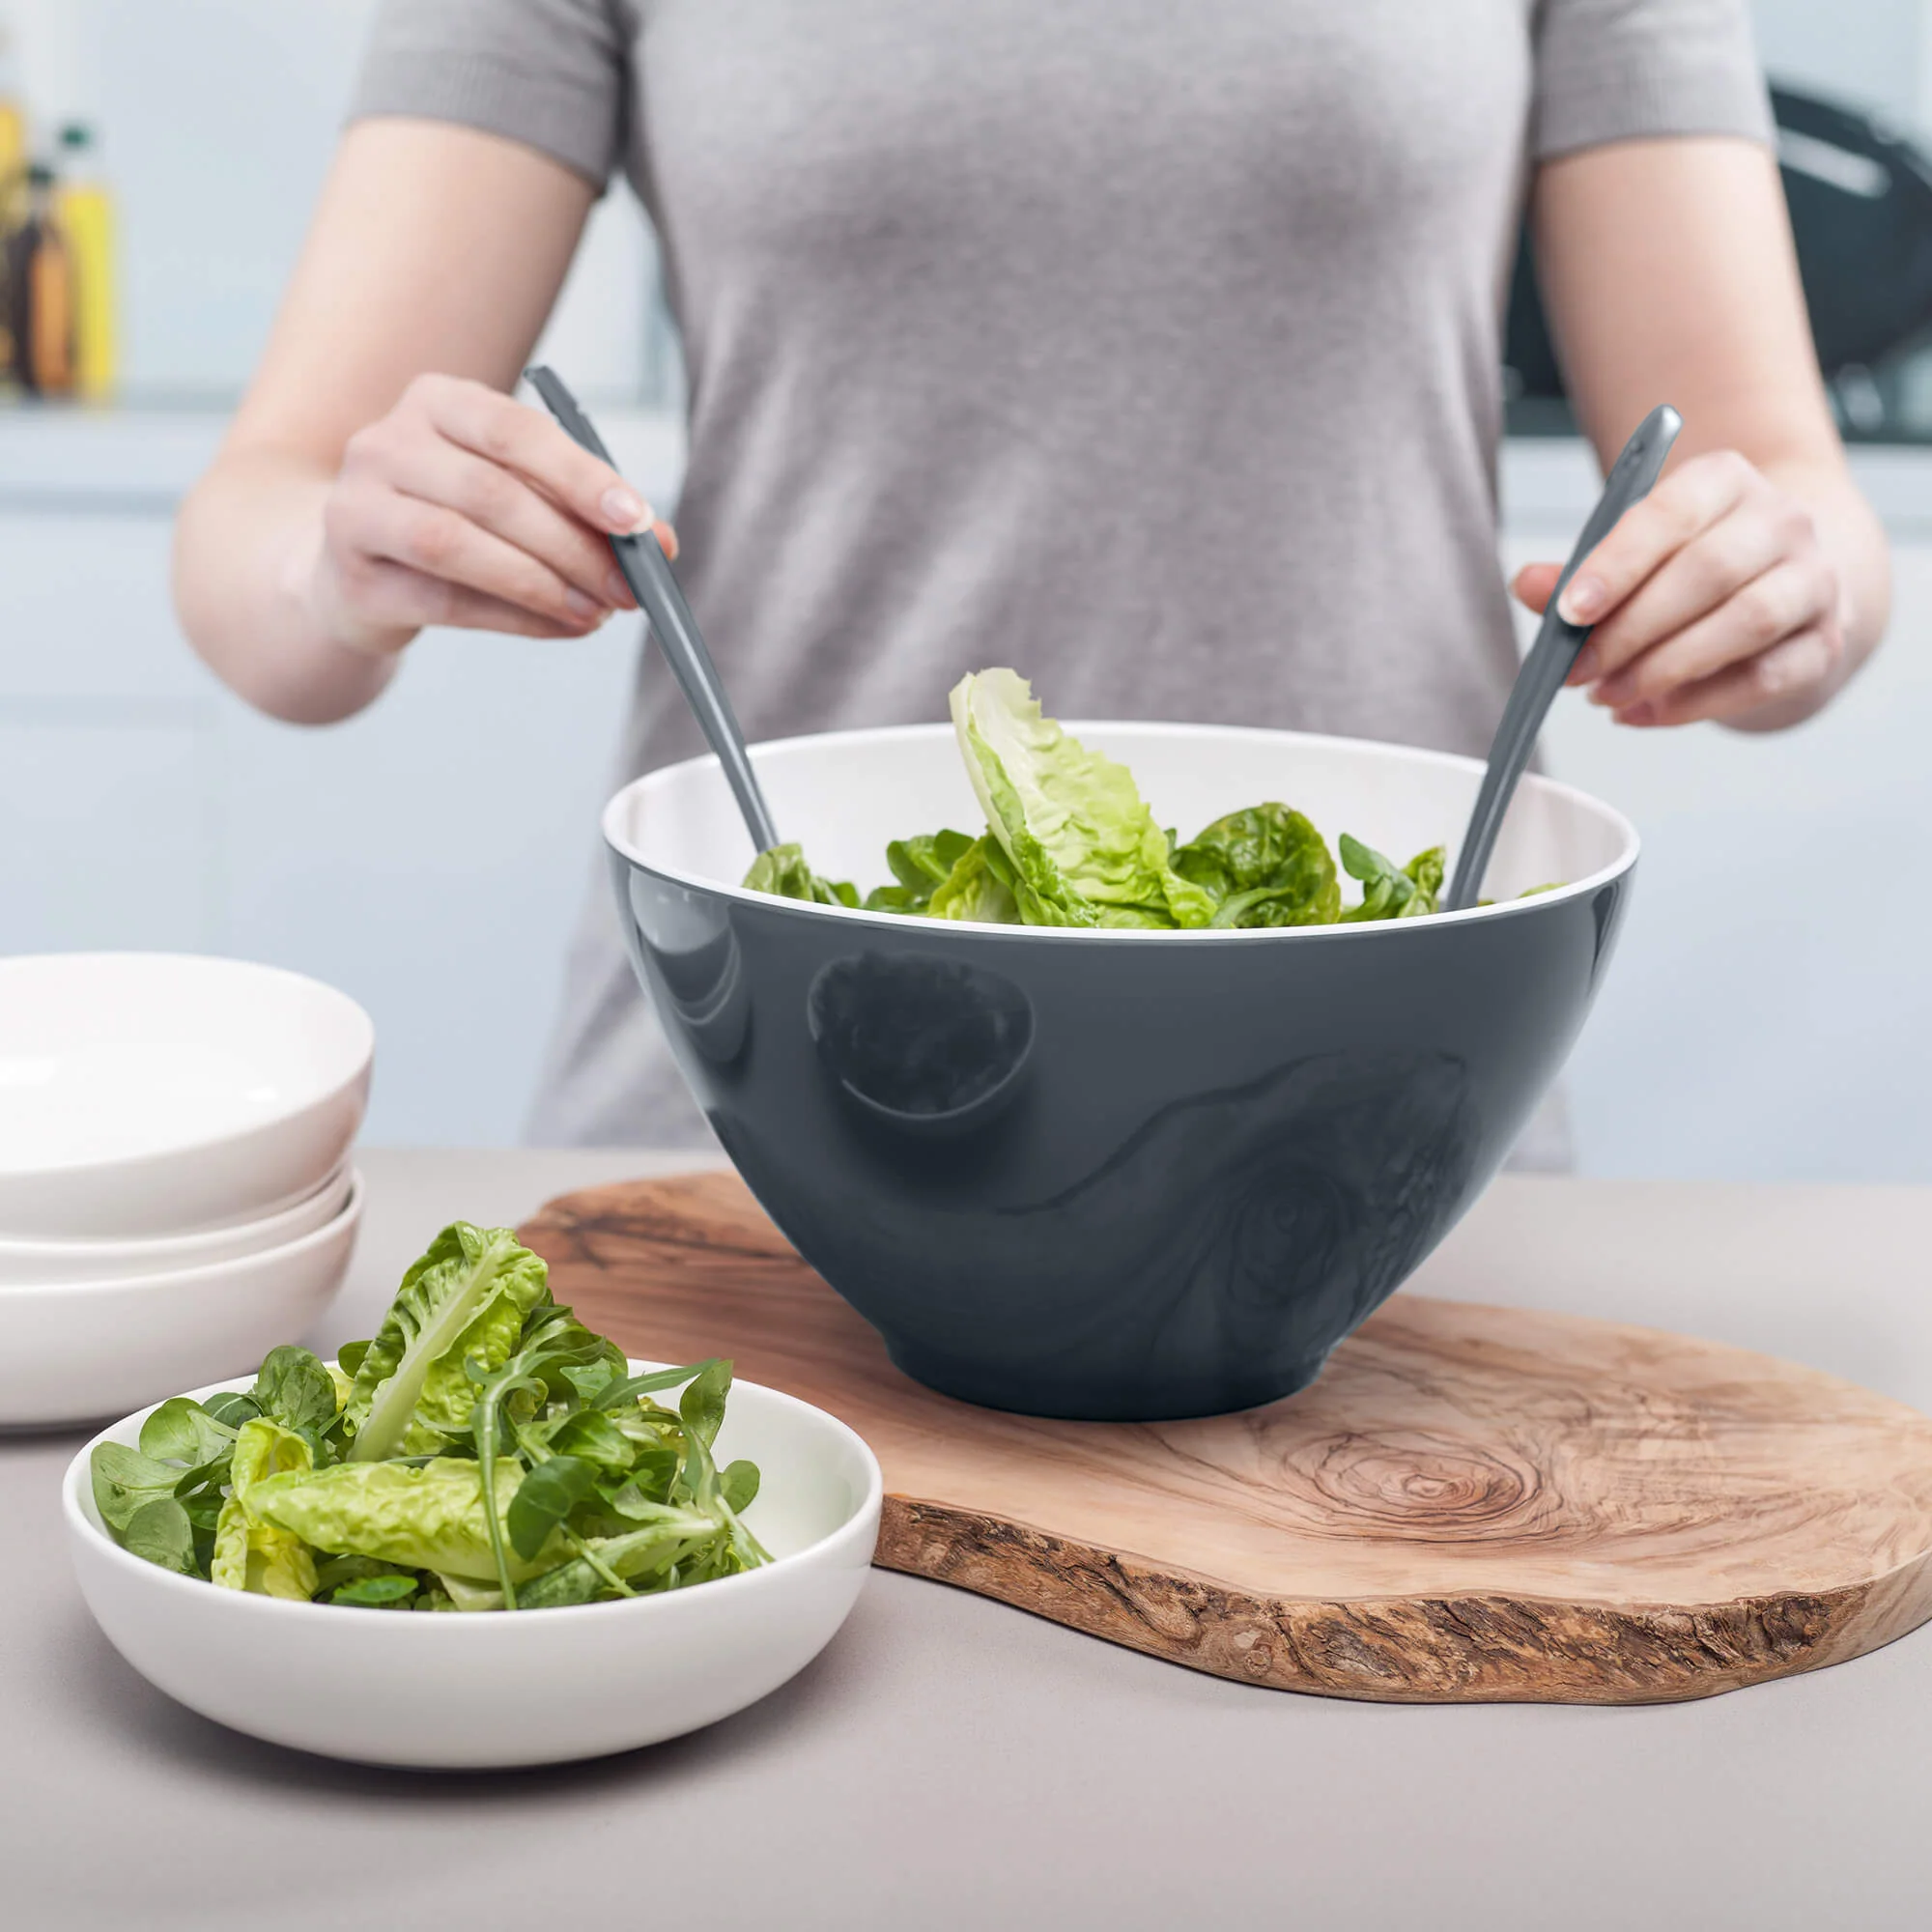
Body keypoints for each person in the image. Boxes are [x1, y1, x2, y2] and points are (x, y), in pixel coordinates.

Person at [174, 1, 1890, 1165]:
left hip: (1381, 1119)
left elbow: (1784, 481)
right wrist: (345, 560)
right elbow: (262, 535)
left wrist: (1782, 584)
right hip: (771, 1118)